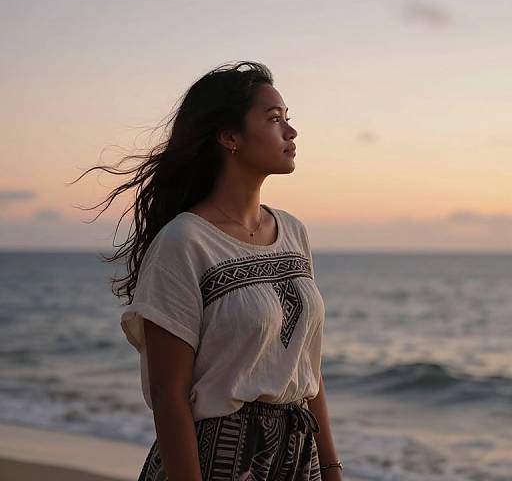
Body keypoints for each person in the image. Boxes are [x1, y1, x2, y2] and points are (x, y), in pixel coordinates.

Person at [76, 61, 343, 480]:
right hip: (216, 461)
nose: (290, 132)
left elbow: (308, 369)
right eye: (274, 119)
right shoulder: (184, 242)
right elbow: (169, 395)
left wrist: (330, 467)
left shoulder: (294, 232)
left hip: (296, 458)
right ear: (229, 136)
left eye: (288, 119)